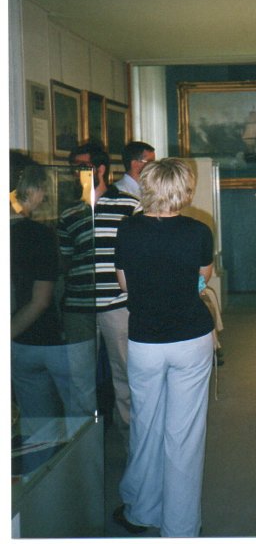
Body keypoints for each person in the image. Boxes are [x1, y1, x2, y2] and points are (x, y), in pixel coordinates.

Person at [113, 158, 214, 538]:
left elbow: (125, 285)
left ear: (147, 186)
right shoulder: (199, 231)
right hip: (191, 338)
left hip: (145, 340)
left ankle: (142, 512)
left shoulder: (127, 230)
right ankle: (181, 528)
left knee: (145, 425)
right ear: (185, 190)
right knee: (184, 436)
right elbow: (202, 279)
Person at [58, 141, 138, 431]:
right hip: (79, 307)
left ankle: (133, 445)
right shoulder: (69, 214)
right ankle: (84, 448)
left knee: (126, 375)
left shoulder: (129, 206)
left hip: (118, 304)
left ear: (101, 169)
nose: (77, 173)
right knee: (79, 380)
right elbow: (65, 261)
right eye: (74, 168)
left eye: (83, 167)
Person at [10, 153, 72, 421]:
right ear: (31, 189)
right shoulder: (39, 234)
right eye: (42, 187)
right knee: (66, 422)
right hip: (44, 339)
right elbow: (41, 299)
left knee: (34, 424)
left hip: (19, 343)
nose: (44, 194)